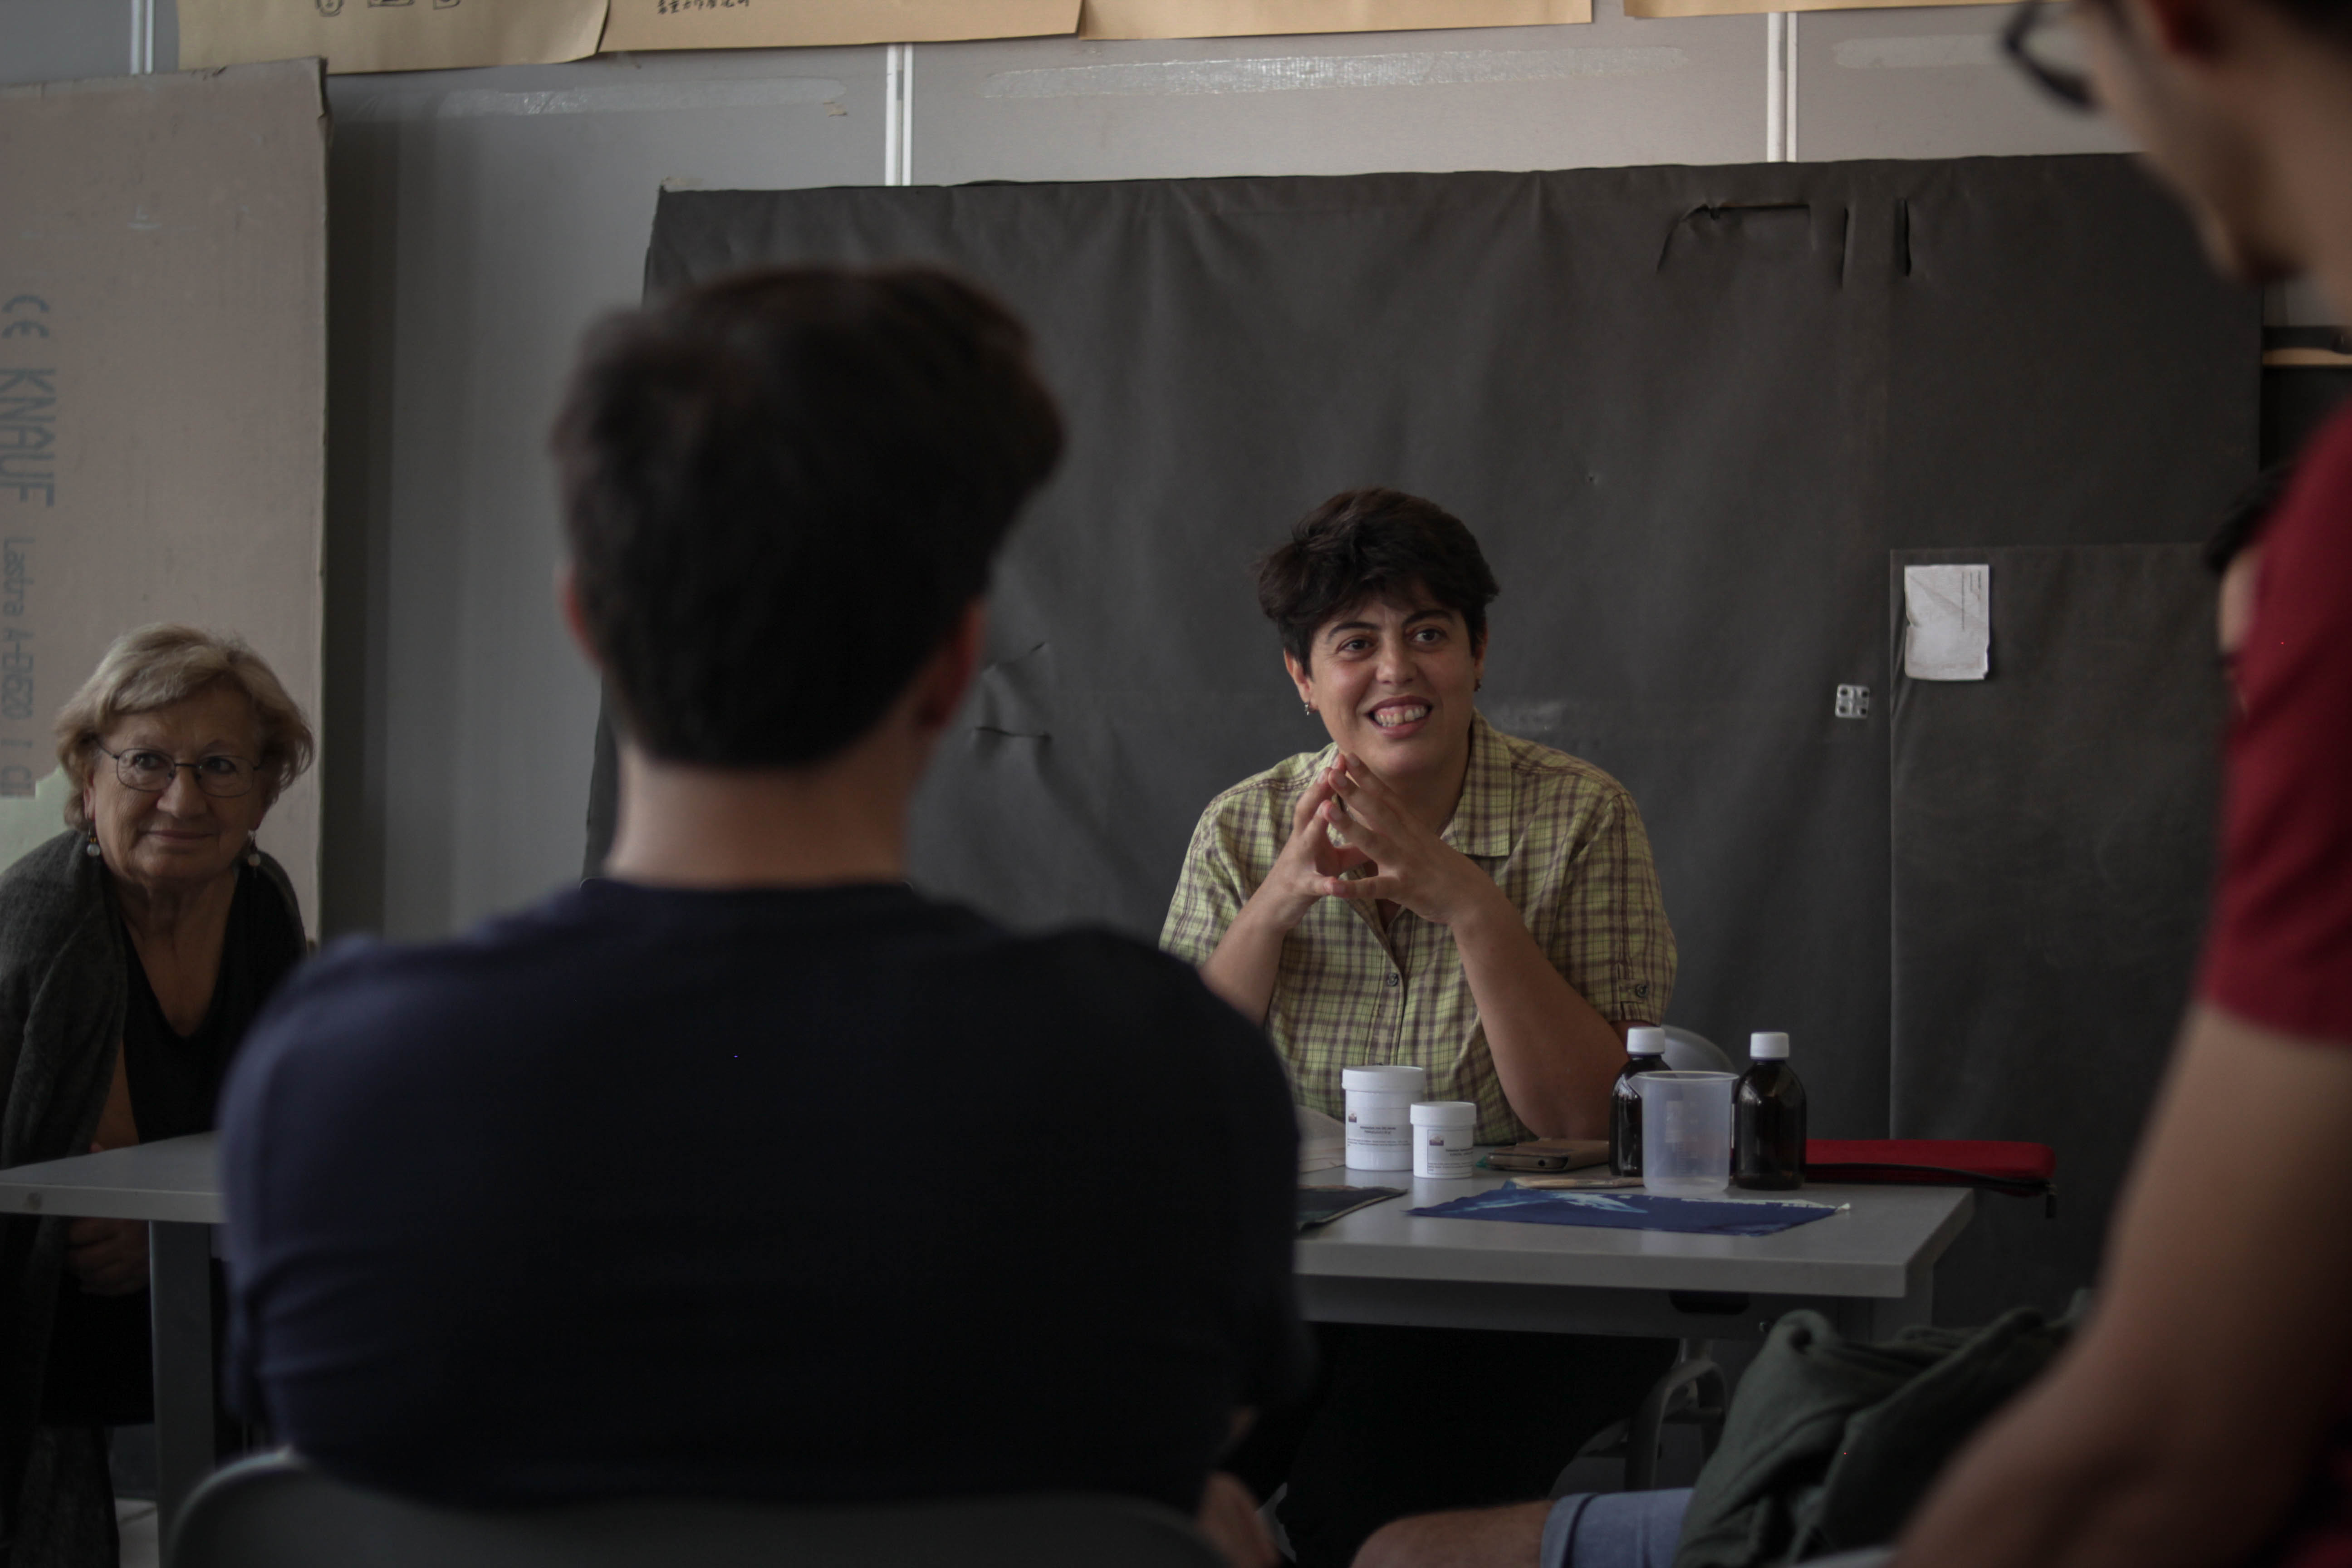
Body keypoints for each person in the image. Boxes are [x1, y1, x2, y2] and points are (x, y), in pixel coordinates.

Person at [218, 264, 1302, 1563]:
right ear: (955, 663)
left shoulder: (333, 1068)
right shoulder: (1167, 1071)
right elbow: (1207, 1435)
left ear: (589, 626)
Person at [1162, 488, 1678, 1568]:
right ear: (1305, 680)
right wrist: (1276, 903)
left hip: (1532, 1290)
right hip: (1303, 1285)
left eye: (1429, 634)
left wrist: (1468, 903)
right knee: (1146, 1479)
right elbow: (1176, 1098)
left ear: (1478, 654)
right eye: (1355, 643)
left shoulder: (1581, 816)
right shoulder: (1243, 827)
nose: (1396, 672)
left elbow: (1591, 1122)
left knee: (1363, 1512)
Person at [0, 625, 313, 1568]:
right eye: (146, 762)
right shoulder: (47, 921)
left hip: (203, 1282)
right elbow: (73, 1196)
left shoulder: (262, 903)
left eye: (220, 766)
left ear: (264, 791)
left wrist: (170, 1236)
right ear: (87, 775)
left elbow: (285, 1130)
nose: (183, 798)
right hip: (43, 1313)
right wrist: (157, 1231)